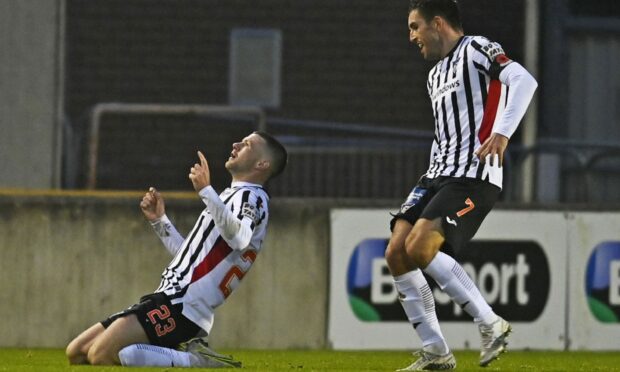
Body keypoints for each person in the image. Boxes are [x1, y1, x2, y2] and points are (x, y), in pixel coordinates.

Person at [385, 0, 537, 370]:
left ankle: (491, 322)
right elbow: (446, 133)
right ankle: (436, 351)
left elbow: (523, 80)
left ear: (438, 23)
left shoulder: (477, 48)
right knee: (396, 253)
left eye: (415, 26)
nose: (411, 36)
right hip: (437, 174)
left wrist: (502, 133)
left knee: (420, 247)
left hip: (474, 174)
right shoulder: (434, 75)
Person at [65, 131, 287, 367]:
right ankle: (178, 352)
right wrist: (160, 221)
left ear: (262, 164)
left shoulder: (251, 197)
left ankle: (195, 360)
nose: (236, 144)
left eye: (247, 144)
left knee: (101, 355)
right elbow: (189, 255)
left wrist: (205, 191)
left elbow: (240, 239)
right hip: (172, 296)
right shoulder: (233, 197)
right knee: (77, 351)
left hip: (184, 305)